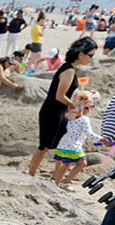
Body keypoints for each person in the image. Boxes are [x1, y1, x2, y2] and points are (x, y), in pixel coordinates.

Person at [29, 38, 97, 177]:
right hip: (53, 111)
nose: (91, 59)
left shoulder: (69, 68)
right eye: (90, 55)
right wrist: (75, 106)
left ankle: (56, 176)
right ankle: (30, 174)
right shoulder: (68, 71)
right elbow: (59, 96)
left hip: (60, 111)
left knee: (61, 145)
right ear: (81, 54)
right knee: (44, 146)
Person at [51, 89, 101, 190]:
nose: (90, 109)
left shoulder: (72, 116)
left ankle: (57, 183)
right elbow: (89, 134)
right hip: (73, 146)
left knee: (65, 164)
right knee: (82, 163)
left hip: (65, 143)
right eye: (89, 107)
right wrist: (101, 140)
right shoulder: (84, 119)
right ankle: (65, 182)